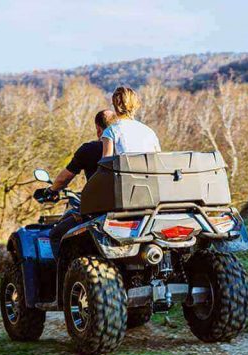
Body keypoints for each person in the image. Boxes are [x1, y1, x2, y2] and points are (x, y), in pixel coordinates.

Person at [44, 109, 116, 258]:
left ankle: (65, 279)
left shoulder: (89, 149)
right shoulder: (128, 149)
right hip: (135, 211)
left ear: (98, 129)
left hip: (99, 211)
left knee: (56, 235)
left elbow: (63, 179)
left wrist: (51, 190)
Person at [101, 86, 161, 157]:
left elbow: (105, 164)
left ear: (115, 106)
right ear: (135, 105)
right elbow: (159, 159)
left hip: (123, 168)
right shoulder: (150, 132)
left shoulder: (111, 132)